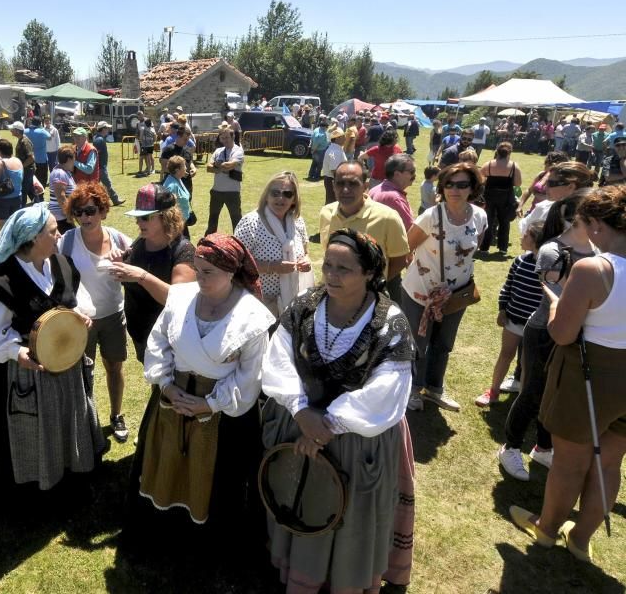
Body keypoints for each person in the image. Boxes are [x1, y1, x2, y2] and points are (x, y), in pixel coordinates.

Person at [261, 228, 414, 594]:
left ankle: (345, 578)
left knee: (350, 513)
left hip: (358, 435)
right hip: (298, 422)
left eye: (343, 268)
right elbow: (278, 357)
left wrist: (326, 425)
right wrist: (301, 411)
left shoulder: (391, 321)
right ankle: (301, 570)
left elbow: (388, 388)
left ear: (368, 274)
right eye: (327, 264)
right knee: (299, 495)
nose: (330, 274)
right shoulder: (304, 306)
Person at [510, 185, 626, 565]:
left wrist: (559, 302)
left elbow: (562, 333)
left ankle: (547, 528)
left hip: (587, 372)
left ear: (596, 224)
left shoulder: (594, 268)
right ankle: (580, 537)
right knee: (609, 463)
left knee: (569, 462)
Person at [132, 233, 273, 530]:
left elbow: (250, 376)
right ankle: (165, 524)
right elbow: (158, 342)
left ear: (232, 272)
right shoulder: (181, 297)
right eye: (197, 269)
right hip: (175, 396)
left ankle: (209, 537)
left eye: (208, 272)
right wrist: (167, 385)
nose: (200, 278)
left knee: (217, 475)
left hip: (223, 412)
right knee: (167, 459)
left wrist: (209, 403)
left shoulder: (252, 316)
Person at [0, 204, 109, 501]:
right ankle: (32, 493)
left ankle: (71, 472)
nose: (59, 234)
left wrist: (81, 315)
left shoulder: (62, 263)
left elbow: (80, 302)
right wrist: (15, 352)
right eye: (52, 231)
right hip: (24, 374)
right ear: (32, 239)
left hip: (66, 367)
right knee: (31, 430)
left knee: (68, 419)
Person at [499, 190, 595, 481]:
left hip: (580, 334)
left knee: (557, 394)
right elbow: (556, 293)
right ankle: (510, 447)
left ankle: (543, 447)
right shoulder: (553, 250)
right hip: (545, 330)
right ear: (579, 217)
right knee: (533, 391)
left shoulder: (599, 251)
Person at [401, 162, 487, 412]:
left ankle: (435, 389)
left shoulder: (480, 216)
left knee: (444, 343)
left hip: (457, 295)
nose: (454, 189)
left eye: (462, 185)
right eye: (449, 184)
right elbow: (408, 245)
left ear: (473, 188)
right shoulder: (431, 216)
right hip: (421, 291)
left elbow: (472, 250)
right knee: (418, 342)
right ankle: (413, 390)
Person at [59, 184, 133, 443]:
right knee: (82, 374)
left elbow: (139, 271)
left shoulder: (119, 239)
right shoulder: (67, 241)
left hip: (113, 314)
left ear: (102, 210)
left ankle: (116, 415)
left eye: (91, 210)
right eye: (79, 212)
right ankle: (86, 422)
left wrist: (124, 260)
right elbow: (55, 279)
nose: (85, 217)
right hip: (81, 320)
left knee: (115, 367)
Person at [112, 183, 196, 360]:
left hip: (169, 339)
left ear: (166, 217)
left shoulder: (183, 251)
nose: (138, 222)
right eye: (138, 217)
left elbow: (179, 300)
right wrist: (120, 262)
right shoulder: (140, 242)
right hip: (141, 334)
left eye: (145, 217)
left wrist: (142, 276)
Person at [475, 222, 544, 407]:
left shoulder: (548, 266)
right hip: (513, 320)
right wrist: (502, 309)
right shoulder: (520, 261)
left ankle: (522, 401)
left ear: (536, 241)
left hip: (535, 325)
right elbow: (508, 286)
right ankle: (494, 391)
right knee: (505, 354)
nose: (521, 238)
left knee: (527, 363)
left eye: (526, 236)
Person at [318, 161, 409, 293]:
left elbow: (400, 260)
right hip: (332, 295)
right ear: (333, 186)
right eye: (340, 183)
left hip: (370, 298)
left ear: (365, 186)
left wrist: (372, 284)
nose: (345, 189)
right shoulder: (326, 213)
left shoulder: (387, 217)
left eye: (353, 183)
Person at [234, 171, 311, 317]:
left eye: (287, 194)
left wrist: (306, 260)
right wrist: (273, 267)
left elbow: (306, 252)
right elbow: (235, 262)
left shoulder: (298, 221)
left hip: (294, 301)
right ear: (266, 196)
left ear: (294, 199)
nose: (280, 198)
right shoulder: (250, 223)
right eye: (275, 193)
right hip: (259, 303)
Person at [519, 161, 595, 236]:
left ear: (571, 187)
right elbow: (524, 229)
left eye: (551, 183)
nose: (545, 187)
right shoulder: (543, 207)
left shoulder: (593, 219)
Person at [478, 141, 523, 255]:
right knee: (504, 221)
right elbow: (518, 183)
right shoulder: (513, 166)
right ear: (509, 153)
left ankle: (484, 248)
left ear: (497, 152)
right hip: (506, 197)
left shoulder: (488, 164)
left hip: (489, 196)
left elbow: (480, 180)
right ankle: (503, 248)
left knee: (488, 221)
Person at [204, 124, 244, 235]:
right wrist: (220, 167)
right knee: (212, 221)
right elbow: (208, 168)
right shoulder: (218, 151)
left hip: (232, 192)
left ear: (233, 137)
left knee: (236, 221)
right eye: (222, 137)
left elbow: (229, 165)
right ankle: (208, 245)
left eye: (227, 137)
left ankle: (240, 244)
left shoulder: (238, 151)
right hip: (216, 191)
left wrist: (217, 166)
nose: (224, 140)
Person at [369, 153, 417, 233]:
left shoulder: (374, 190)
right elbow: (410, 231)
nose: (414, 175)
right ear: (397, 174)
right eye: (411, 172)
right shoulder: (394, 198)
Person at [518, 151, 569, 218]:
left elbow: (561, 199)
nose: (544, 165)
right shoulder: (541, 175)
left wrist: (539, 195)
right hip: (533, 212)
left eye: (547, 163)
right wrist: (520, 206)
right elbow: (529, 190)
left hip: (549, 216)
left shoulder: (563, 180)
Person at [0, 139, 23, 225]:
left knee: (3, 225)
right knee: (15, 224)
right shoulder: (18, 161)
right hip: (17, 197)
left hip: (2, 199)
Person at [159, 127, 197, 197]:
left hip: (187, 184)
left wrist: (194, 169)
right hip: (173, 185)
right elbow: (164, 167)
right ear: (179, 136)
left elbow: (190, 161)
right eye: (185, 139)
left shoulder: (188, 149)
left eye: (188, 139)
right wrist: (179, 173)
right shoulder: (168, 149)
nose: (187, 141)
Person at [92, 122, 123, 206]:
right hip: (100, 166)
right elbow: (96, 153)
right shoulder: (100, 140)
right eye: (107, 128)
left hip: (100, 166)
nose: (108, 130)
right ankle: (115, 200)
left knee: (97, 186)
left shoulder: (99, 138)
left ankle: (98, 201)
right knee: (107, 184)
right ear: (103, 129)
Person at [48, 145, 77, 234]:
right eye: (74, 159)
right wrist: (69, 216)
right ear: (68, 159)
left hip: (63, 217)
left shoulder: (64, 172)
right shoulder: (60, 173)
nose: (74, 162)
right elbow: (61, 196)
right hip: (61, 219)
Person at [161, 156, 191, 227]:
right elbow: (166, 208)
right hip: (175, 225)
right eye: (184, 166)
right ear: (177, 170)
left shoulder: (178, 178)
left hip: (182, 222)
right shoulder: (171, 186)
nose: (186, 168)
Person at [321, 126, 347, 205]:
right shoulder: (334, 151)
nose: (345, 139)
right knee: (332, 203)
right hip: (333, 180)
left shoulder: (337, 149)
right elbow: (334, 170)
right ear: (337, 138)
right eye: (343, 137)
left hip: (335, 180)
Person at [25, 118, 51, 186]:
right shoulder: (42, 131)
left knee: (31, 179)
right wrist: (42, 128)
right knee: (42, 179)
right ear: (40, 124)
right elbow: (49, 137)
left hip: (29, 160)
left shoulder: (25, 131)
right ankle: (40, 194)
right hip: (41, 160)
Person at [307, 116, 330, 182]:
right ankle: (317, 176)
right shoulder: (321, 134)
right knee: (319, 164)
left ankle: (311, 175)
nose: (326, 129)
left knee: (314, 163)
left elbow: (311, 139)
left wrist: (311, 147)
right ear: (324, 127)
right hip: (320, 150)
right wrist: (313, 150)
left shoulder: (316, 129)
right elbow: (317, 143)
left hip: (316, 150)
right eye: (326, 127)